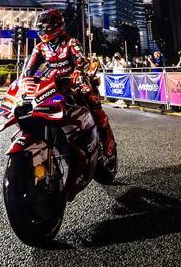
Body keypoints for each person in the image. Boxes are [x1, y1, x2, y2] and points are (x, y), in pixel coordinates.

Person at [23, 9, 116, 158]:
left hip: (74, 82)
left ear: (59, 26)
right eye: (41, 27)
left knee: (89, 97)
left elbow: (82, 59)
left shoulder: (70, 42)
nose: (44, 30)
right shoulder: (40, 47)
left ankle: (107, 139)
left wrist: (78, 71)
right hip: (52, 84)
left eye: (48, 27)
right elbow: (29, 70)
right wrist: (25, 80)